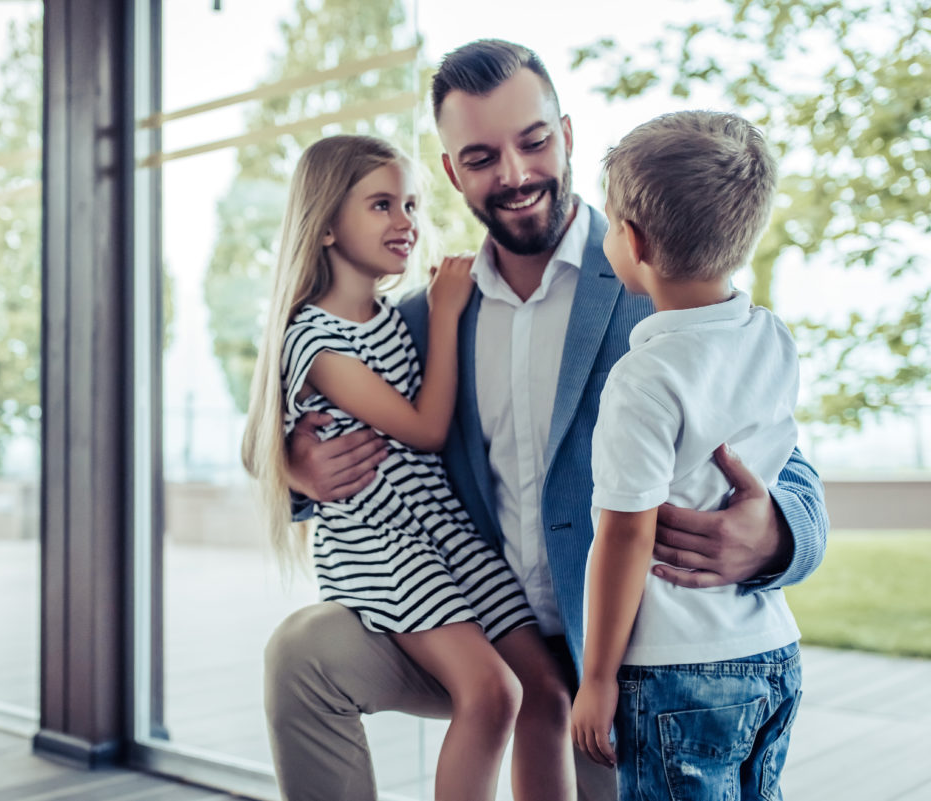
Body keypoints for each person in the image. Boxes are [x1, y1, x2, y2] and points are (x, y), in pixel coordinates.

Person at [266, 40, 828, 801]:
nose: (516, 173)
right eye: (482, 156)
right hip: (476, 616)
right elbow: (331, 402)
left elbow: (788, 463)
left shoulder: (660, 276)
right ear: (451, 172)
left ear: (567, 134)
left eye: (533, 142)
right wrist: (298, 466)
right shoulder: (429, 314)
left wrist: (776, 534)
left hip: (624, 648)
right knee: (301, 652)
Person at [242, 133, 574, 801]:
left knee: (547, 690)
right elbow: (422, 429)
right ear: (327, 224)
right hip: (385, 546)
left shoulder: (395, 317)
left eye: (412, 205)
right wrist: (448, 314)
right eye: (382, 205)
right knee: (490, 693)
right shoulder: (316, 334)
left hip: (449, 536)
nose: (406, 223)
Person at [571, 111, 804, 800]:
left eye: (611, 223)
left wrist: (596, 677)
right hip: (770, 652)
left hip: (675, 671)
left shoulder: (644, 376)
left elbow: (624, 534)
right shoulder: (772, 337)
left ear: (634, 241)